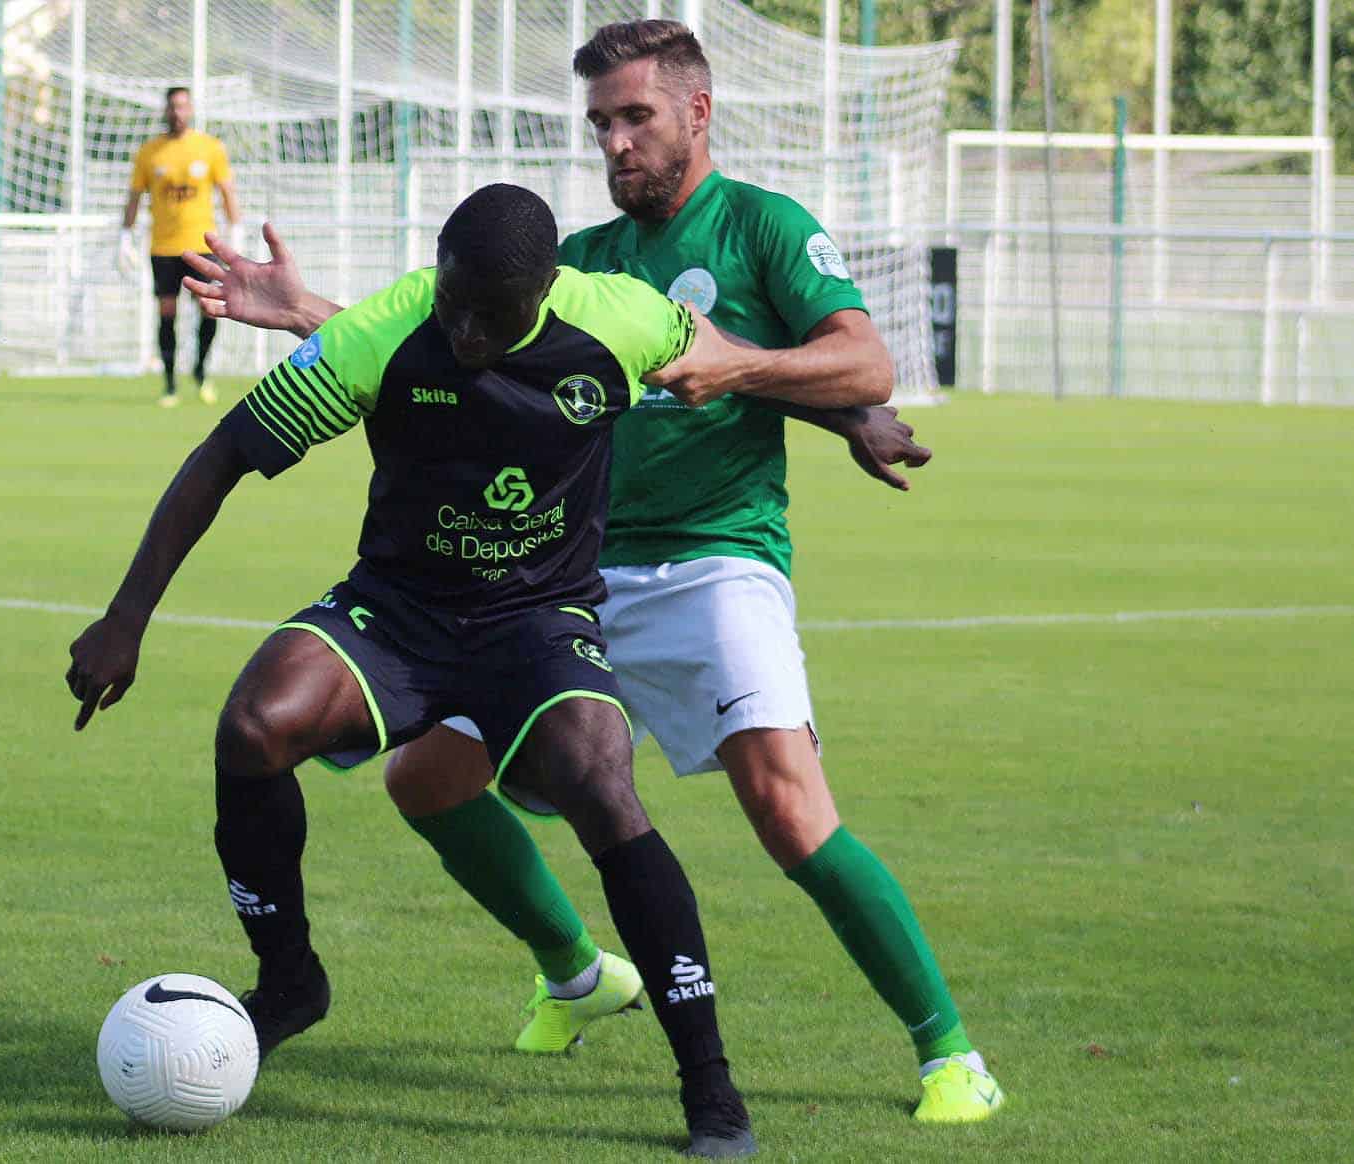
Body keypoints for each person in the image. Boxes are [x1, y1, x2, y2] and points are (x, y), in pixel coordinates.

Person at [182, 19, 1002, 1128]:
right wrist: (308, 314)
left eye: (635, 117)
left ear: (696, 113)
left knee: (784, 805)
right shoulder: (581, 260)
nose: (615, 143)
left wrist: (754, 372)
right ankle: (577, 972)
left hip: (718, 559)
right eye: (601, 124)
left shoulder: (762, 227)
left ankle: (947, 1052)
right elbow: (462, 349)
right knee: (424, 779)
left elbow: (867, 359)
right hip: (571, 581)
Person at [67, 184, 764, 1157]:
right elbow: (224, 453)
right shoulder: (383, 332)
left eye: (493, 313)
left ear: (543, 292)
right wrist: (124, 618)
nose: (467, 330)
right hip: (395, 614)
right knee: (254, 725)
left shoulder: (623, 316)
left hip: (537, 621)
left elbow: (733, 365)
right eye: (453, 303)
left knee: (600, 781)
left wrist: (853, 418)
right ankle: (290, 981)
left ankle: (710, 1086)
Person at [121, 86, 241, 407]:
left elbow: (227, 191)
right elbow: (134, 196)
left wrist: (236, 231)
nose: (178, 112)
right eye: (173, 106)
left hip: (201, 245)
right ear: (165, 110)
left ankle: (201, 371)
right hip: (163, 247)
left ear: (191, 110)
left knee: (209, 308)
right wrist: (125, 236)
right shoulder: (150, 152)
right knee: (167, 311)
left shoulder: (210, 148)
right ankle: (170, 383)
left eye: (183, 106)